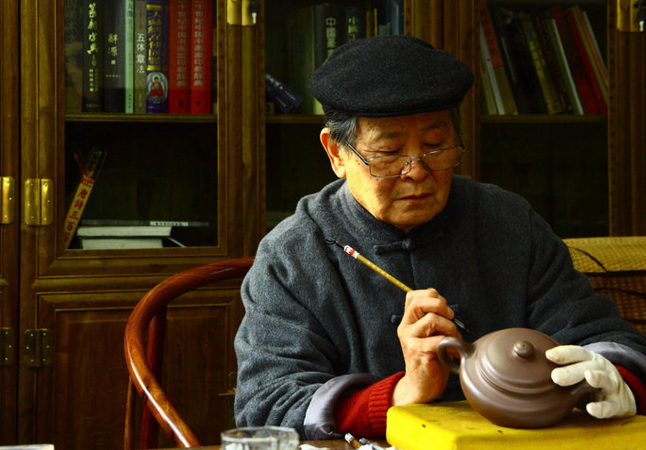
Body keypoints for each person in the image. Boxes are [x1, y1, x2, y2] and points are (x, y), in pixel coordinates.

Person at [234, 35, 646, 439]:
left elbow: (604, 339)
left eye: (436, 146)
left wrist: (614, 377)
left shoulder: (509, 224)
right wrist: (402, 393)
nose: (416, 171)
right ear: (336, 153)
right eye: (389, 153)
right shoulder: (292, 254)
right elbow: (267, 403)